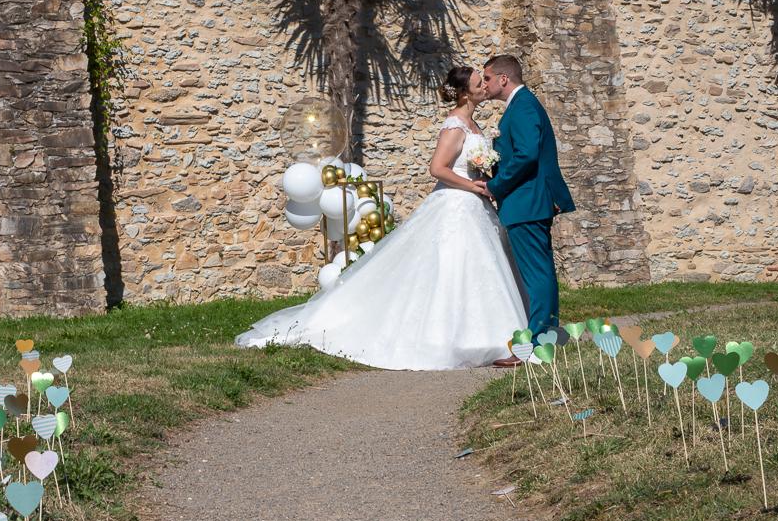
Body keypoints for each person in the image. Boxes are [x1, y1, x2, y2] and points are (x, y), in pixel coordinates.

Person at [235, 66, 529, 370]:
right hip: (457, 204)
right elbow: (437, 168)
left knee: (479, 268)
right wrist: (473, 185)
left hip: (474, 206)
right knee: (453, 266)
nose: (485, 87)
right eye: (479, 84)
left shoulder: (473, 124)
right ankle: (447, 339)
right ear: (465, 92)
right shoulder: (455, 126)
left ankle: (490, 335)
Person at [478, 55, 575, 358]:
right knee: (539, 271)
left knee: (537, 274)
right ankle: (547, 339)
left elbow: (526, 155)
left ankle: (537, 345)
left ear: (503, 79)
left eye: (488, 78)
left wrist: (495, 185)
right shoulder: (521, 106)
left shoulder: (522, 106)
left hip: (526, 201)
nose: (485, 84)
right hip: (526, 201)